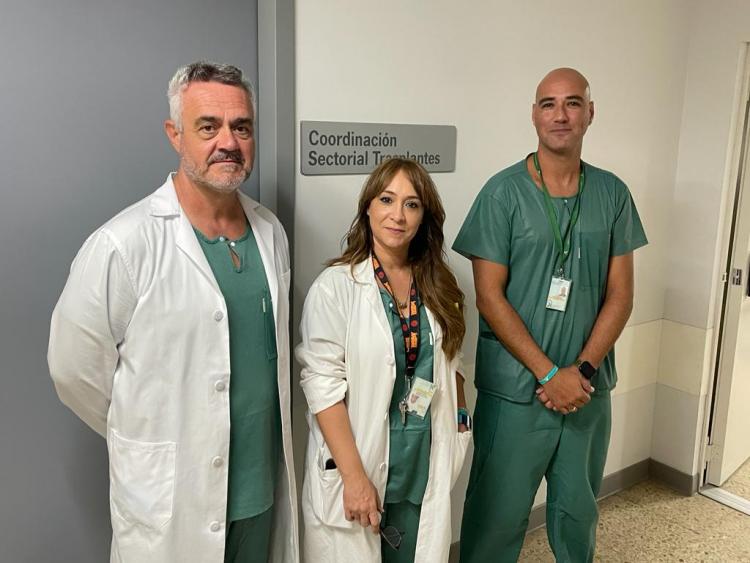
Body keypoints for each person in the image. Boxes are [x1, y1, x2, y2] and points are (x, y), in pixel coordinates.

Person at [48, 61, 298, 563]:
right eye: (208, 126)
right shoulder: (124, 244)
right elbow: (73, 372)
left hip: (258, 493)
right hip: (173, 496)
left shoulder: (270, 232)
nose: (228, 141)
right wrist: (152, 430)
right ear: (175, 134)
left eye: (241, 127)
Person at [453, 68, 648, 563]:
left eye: (572, 103)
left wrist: (580, 372)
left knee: (578, 515)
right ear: (534, 115)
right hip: (517, 394)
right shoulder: (502, 194)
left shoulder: (613, 194)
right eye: (548, 104)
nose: (560, 114)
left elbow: (621, 296)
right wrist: (547, 373)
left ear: (590, 113)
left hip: (586, 391)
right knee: (495, 517)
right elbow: (489, 297)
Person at [296, 158, 472, 562]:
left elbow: (452, 363)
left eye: (412, 204)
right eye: (387, 199)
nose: (398, 214)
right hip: (358, 468)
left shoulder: (440, 285)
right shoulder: (336, 288)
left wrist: (461, 422)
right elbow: (322, 387)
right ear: (368, 208)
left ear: (424, 216)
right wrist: (354, 478)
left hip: (422, 464)